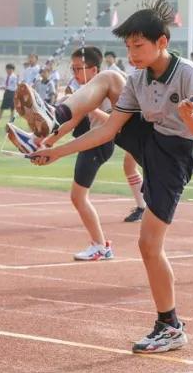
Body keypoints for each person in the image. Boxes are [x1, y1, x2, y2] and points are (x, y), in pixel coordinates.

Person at [26, 0, 193, 354]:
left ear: (163, 42)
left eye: (138, 45)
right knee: (111, 78)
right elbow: (108, 129)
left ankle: (170, 326)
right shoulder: (137, 79)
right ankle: (55, 114)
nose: (132, 52)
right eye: (128, 46)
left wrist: (190, 117)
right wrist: (55, 150)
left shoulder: (189, 73)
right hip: (151, 138)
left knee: (148, 246)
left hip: (178, 155)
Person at [8, 47, 119, 260]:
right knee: (77, 197)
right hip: (87, 138)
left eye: (79, 69)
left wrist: (90, 107)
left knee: (78, 197)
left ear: (94, 69)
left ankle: (101, 246)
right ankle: (35, 139)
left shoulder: (108, 91)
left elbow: (115, 125)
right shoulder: (82, 89)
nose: (75, 73)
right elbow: (72, 121)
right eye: (73, 68)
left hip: (100, 142)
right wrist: (48, 142)